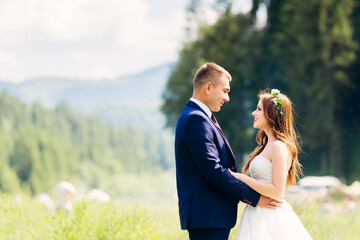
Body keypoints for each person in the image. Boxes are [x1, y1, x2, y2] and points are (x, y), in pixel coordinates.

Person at [174, 63, 281, 240]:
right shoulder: (196, 120)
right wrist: (255, 199)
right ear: (208, 87)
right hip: (207, 216)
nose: (227, 97)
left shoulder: (199, 117)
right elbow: (214, 172)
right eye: (225, 91)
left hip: (210, 216)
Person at [229, 89, 313, 239]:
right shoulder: (267, 145)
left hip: (269, 216)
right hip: (256, 212)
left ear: (272, 114)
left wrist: (242, 178)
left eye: (259, 109)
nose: (253, 113)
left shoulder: (278, 147)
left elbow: (277, 191)